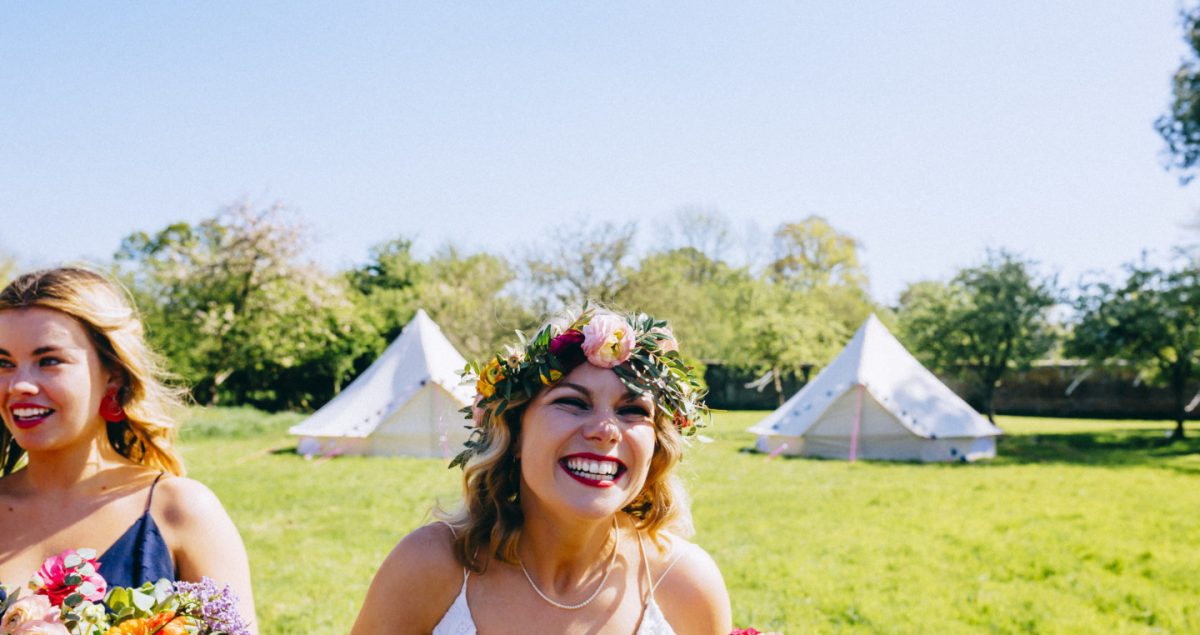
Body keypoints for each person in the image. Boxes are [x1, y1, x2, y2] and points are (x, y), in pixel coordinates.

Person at [353, 306, 732, 634]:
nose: (605, 430)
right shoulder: (429, 566)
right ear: (515, 433)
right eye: (573, 402)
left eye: (632, 410)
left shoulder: (686, 584)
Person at [0, 267, 256, 631]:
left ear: (113, 374)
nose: (20, 385)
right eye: (3, 363)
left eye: (49, 361)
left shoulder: (181, 512)